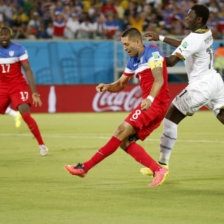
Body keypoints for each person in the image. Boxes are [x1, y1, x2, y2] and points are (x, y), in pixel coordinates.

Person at [65, 27, 170, 187]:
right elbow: (121, 84)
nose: (124, 48)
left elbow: (159, 80)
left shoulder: (153, 53)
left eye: (127, 44)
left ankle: (85, 167)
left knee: (121, 130)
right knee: (124, 142)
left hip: (155, 103)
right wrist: (108, 86)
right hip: (150, 104)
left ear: (137, 42)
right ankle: (158, 170)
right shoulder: (133, 61)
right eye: (122, 45)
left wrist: (149, 98)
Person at [140, 4, 224, 177]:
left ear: (198, 19)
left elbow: (171, 61)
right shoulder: (206, 32)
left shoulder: (194, 38)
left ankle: (161, 166)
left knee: (170, 120)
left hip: (200, 86)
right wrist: (161, 38)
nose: (186, 18)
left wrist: (148, 59)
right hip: (215, 81)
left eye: (189, 16)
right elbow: (183, 45)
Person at [0, 27, 48, 156]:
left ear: (10, 36)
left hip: (17, 86)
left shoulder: (19, 49)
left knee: (25, 114)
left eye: (5, 35)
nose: (3, 37)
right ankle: (14, 114)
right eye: (1, 35)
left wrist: (34, 92)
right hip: (2, 86)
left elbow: (28, 70)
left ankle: (42, 145)